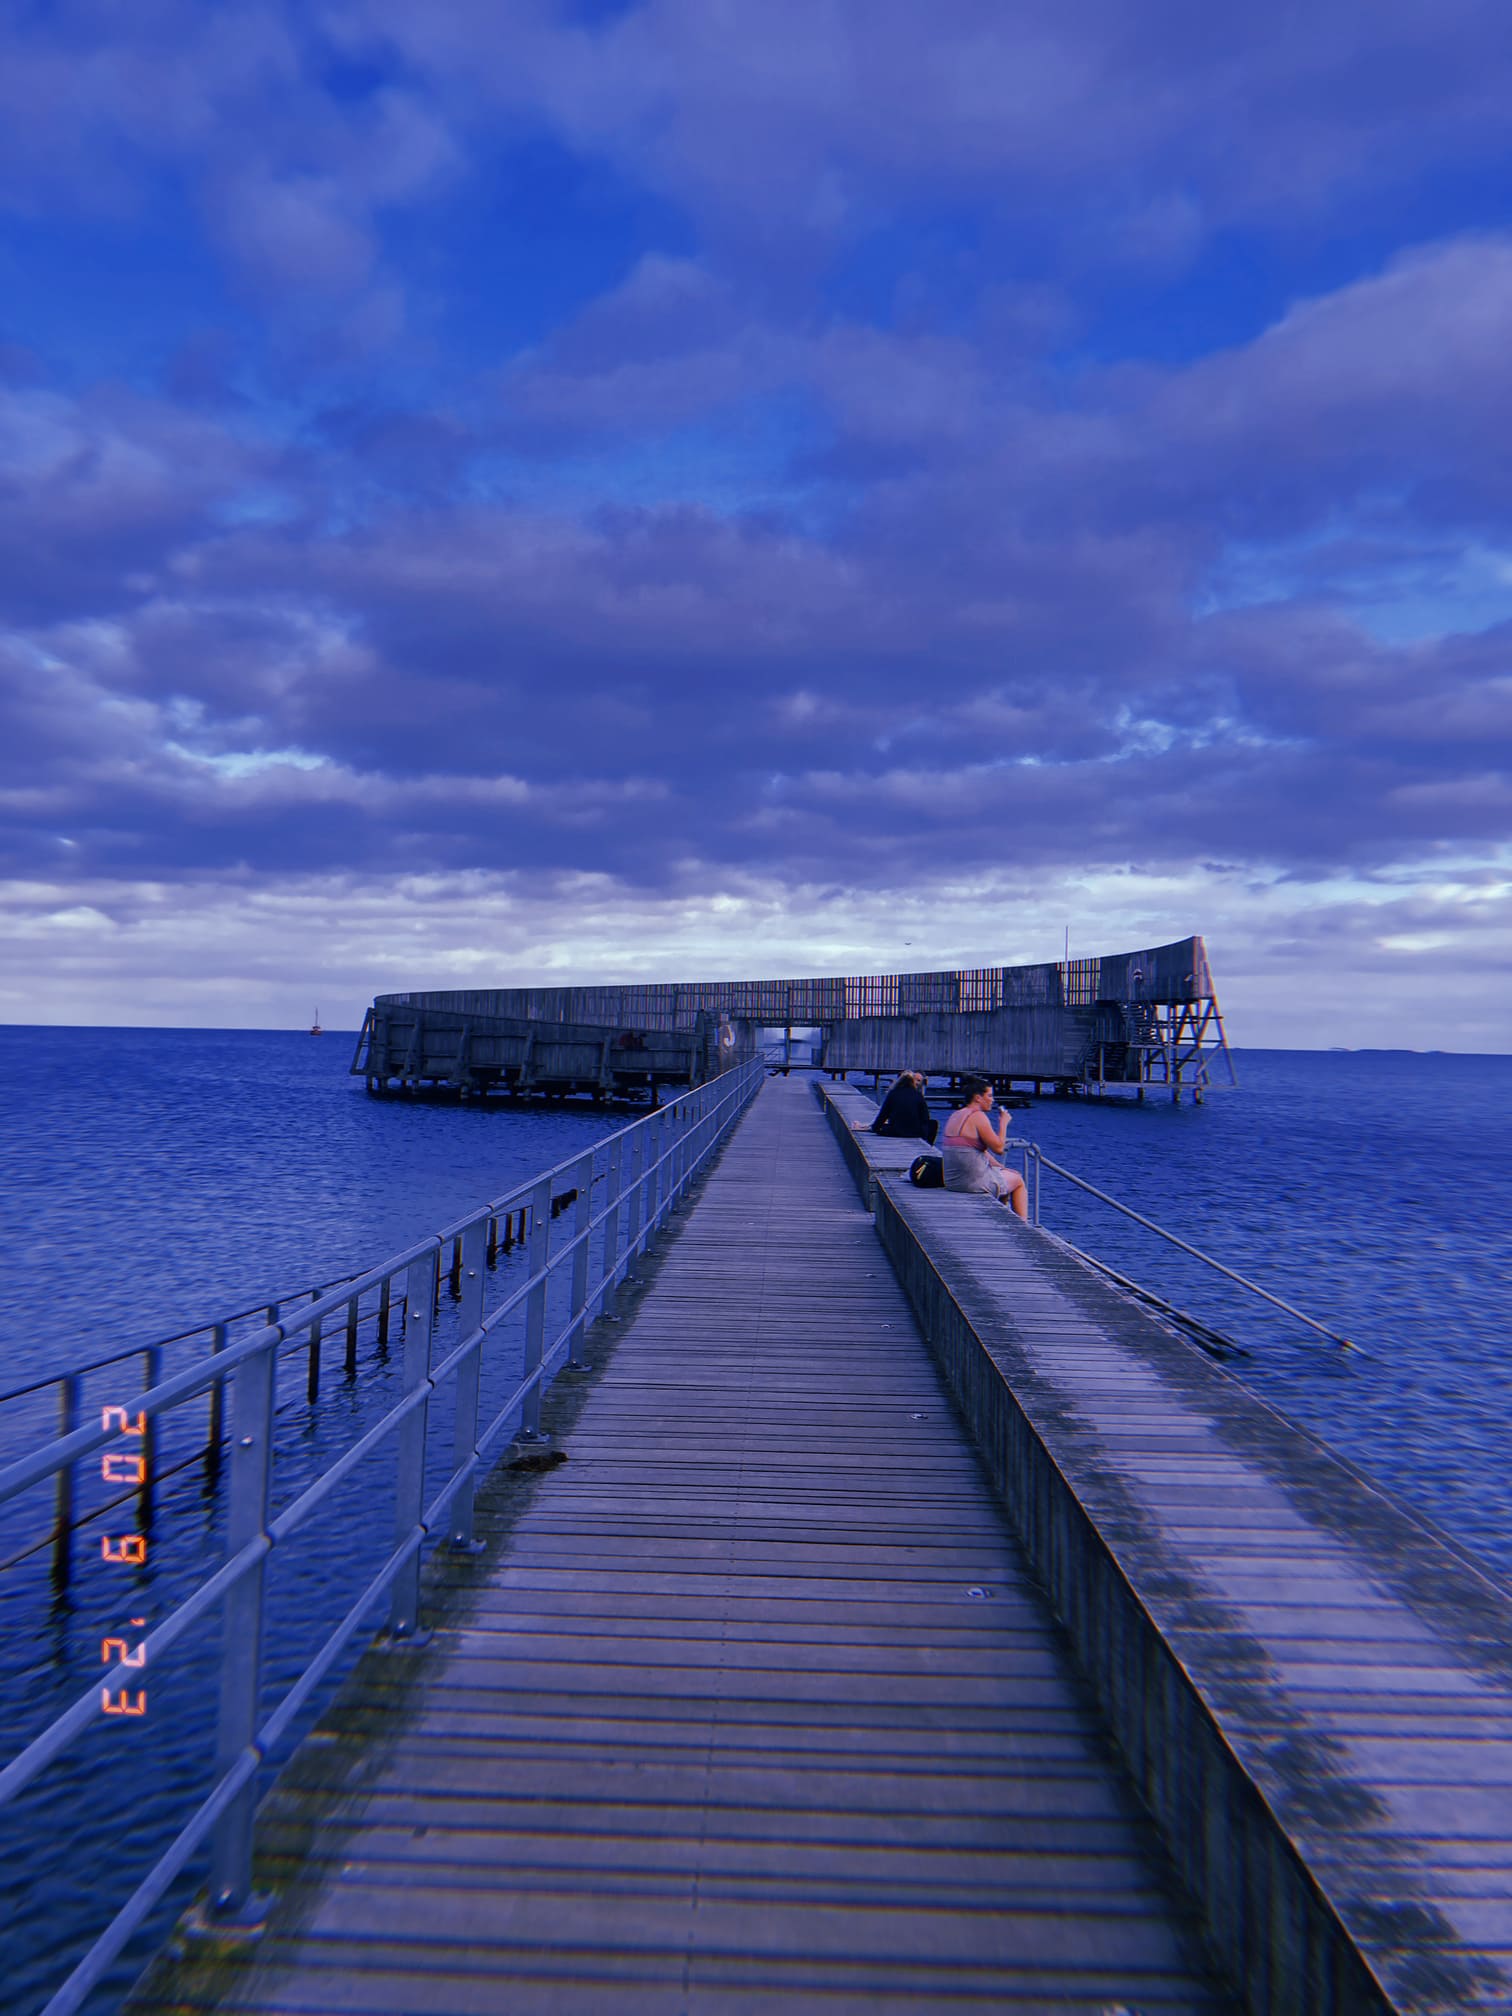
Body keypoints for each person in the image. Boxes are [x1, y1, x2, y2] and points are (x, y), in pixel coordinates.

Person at [940, 1075, 1028, 1218]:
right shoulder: (978, 1116)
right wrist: (1003, 1123)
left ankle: (1001, 1218)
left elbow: (979, 1150)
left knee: (1003, 1175)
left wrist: (1000, 1167)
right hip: (973, 1183)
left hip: (953, 1182)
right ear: (978, 1098)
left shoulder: (956, 1115)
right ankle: (1025, 1227)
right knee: (1018, 1180)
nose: (992, 1100)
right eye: (990, 1095)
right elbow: (999, 1149)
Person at [871, 1070, 938, 1143]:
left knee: (886, 1126)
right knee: (933, 1123)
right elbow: (925, 1118)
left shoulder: (893, 1094)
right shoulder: (918, 1096)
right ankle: (928, 1144)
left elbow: (883, 1115)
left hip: (895, 1132)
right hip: (915, 1133)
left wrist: (875, 1128)